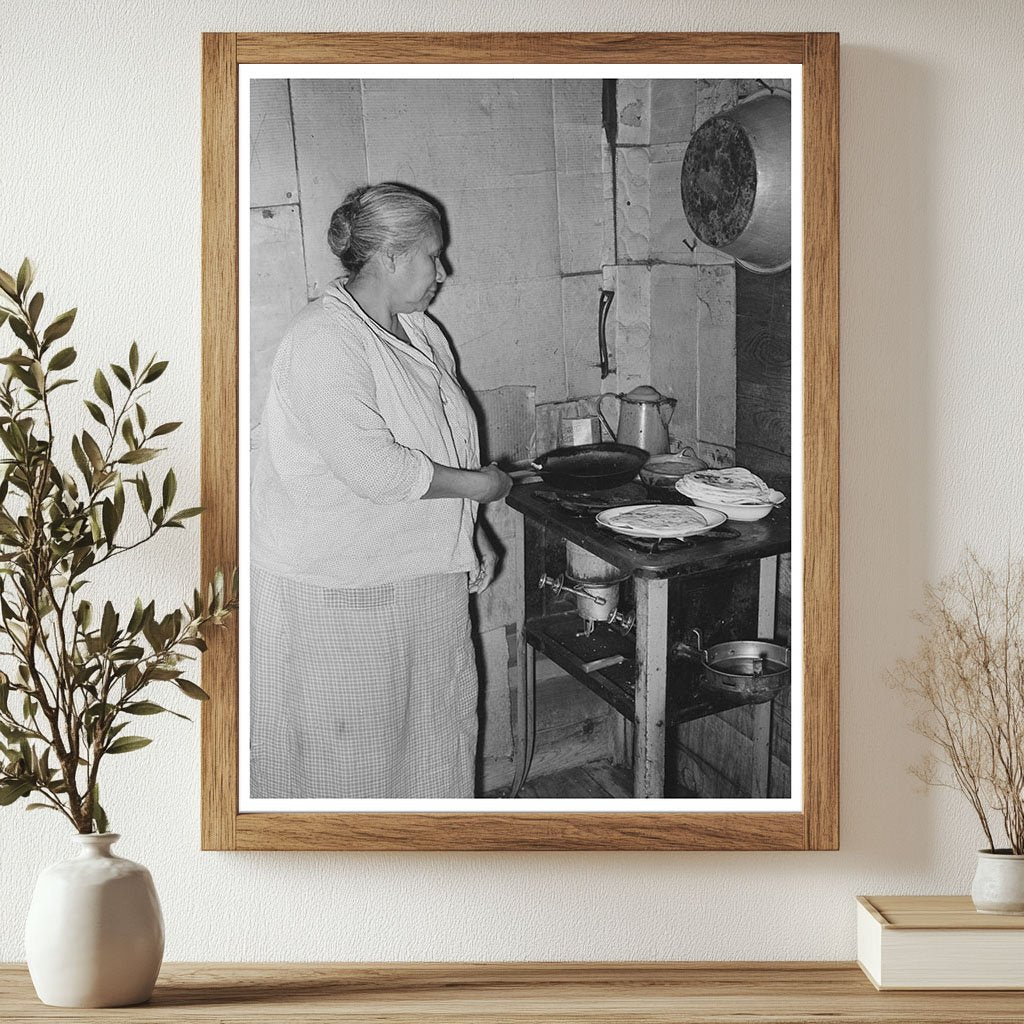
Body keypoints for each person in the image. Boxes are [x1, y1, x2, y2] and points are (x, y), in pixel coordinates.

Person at [249, 182, 512, 800]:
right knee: (350, 762)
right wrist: (485, 487)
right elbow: (378, 469)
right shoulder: (321, 339)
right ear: (391, 257)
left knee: (429, 741)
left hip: (416, 582)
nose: (442, 271)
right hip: (340, 593)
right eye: (432, 256)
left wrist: (469, 531)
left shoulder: (421, 331)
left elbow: (442, 441)